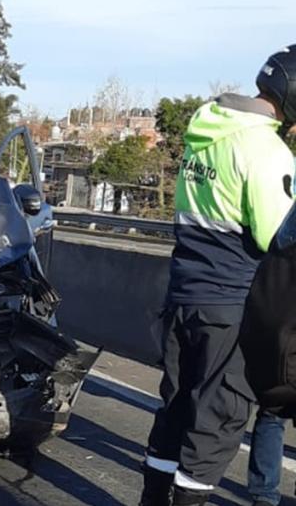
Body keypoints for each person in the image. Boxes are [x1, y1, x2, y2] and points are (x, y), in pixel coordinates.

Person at [139, 45, 296, 506]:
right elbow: (276, 237)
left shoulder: (205, 134)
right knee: (217, 423)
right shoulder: (264, 149)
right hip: (230, 302)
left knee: (175, 408)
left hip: (183, 293)